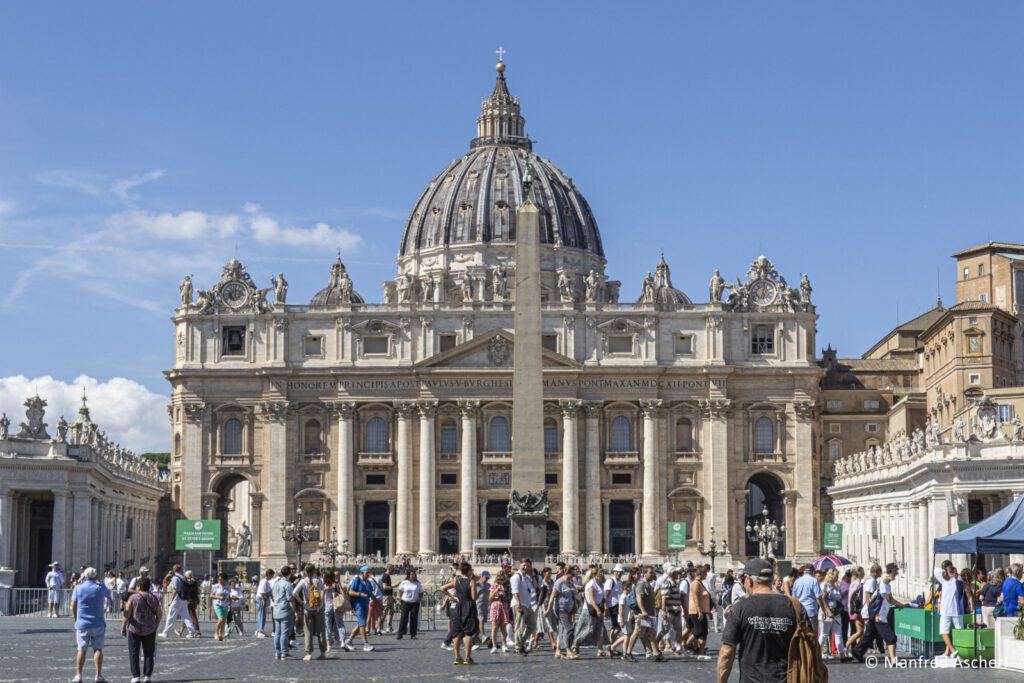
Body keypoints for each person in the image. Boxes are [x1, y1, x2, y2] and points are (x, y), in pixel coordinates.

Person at [717, 558, 801, 683]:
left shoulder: (740, 608)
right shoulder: (795, 606)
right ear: (771, 580)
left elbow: (726, 654)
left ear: (749, 580)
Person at [851, 563, 907, 664]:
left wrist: (902, 605)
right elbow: (883, 600)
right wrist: (875, 614)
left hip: (878, 615)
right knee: (890, 637)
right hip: (879, 616)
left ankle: (857, 652)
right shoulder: (884, 584)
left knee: (869, 635)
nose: (897, 573)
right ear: (890, 572)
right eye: (895, 572)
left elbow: (890, 599)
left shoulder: (886, 584)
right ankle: (893, 659)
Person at [70, 567, 111, 683]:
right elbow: (108, 594)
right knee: (98, 649)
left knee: (81, 650)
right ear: (96, 576)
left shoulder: (78, 588)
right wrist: (100, 583)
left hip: (82, 623)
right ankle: (98, 675)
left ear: (85, 576)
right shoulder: (99, 587)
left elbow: (73, 605)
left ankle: (78, 675)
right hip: (98, 623)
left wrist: (76, 618)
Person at [122, 576, 162, 683]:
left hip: (134, 628)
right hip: (150, 628)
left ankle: (135, 676)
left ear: (139, 586)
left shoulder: (133, 598)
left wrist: (123, 626)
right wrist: (156, 625)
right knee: (149, 653)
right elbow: (159, 614)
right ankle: (147, 676)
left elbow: (127, 613)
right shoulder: (153, 598)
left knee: (134, 652)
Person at [441, 561, 479, 665]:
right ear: (469, 571)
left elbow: (442, 588)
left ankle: (457, 657)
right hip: (469, 607)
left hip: (458, 607)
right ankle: (468, 658)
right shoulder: (471, 581)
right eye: (471, 570)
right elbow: (474, 597)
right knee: (468, 633)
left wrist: (453, 597)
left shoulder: (456, 581)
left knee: (457, 633)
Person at [626, 565, 665, 663]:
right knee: (636, 633)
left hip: (650, 615)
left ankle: (656, 653)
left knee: (652, 634)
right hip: (643, 615)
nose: (652, 574)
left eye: (652, 572)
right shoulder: (641, 584)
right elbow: (639, 598)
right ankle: (628, 653)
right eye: (650, 572)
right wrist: (643, 611)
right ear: (645, 573)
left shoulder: (649, 585)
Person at [572, 566, 608, 657]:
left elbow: (602, 597)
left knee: (600, 629)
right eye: (600, 573)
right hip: (589, 610)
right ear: (595, 575)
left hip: (599, 610)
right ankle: (575, 645)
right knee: (587, 630)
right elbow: (591, 598)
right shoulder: (591, 584)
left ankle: (600, 649)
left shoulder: (600, 584)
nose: (602, 575)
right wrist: (597, 609)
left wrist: (605, 607)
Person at [294, 563, 327, 660]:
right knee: (321, 630)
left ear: (305, 571)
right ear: (314, 571)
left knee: (308, 631)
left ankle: (309, 653)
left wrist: (302, 602)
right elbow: (323, 591)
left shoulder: (303, 581)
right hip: (319, 608)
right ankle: (323, 653)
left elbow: (294, 593)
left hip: (308, 608)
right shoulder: (320, 580)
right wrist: (321, 602)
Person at [933, 562, 965, 659]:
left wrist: (945, 570)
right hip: (956, 610)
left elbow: (935, 570)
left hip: (947, 610)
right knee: (958, 631)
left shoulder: (944, 581)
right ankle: (949, 651)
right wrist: (951, 572)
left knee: (944, 632)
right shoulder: (958, 580)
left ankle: (953, 650)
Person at [158, 564, 198, 639]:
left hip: (177, 598)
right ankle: (192, 632)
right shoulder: (183, 577)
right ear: (180, 569)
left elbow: (175, 590)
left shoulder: (175, 578)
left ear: (173, 570)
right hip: (184, 598)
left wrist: (171, 601)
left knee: (171, 616)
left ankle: (165, 632)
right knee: (186, 616)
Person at [547, 565, 578, 659]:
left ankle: (558, 651)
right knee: (569, 629)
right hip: (561, 609)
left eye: (573, 574)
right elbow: (552, 596)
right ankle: (568, 650)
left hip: (569, 609)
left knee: (561, 630)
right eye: (571, 574)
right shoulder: (559, 582)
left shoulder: (570, 582)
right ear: (566, 573)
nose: (573, 576)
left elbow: (574, 592)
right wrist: (548, 609)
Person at [819, 568, 849, 661]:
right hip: (827, 613)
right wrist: (827, 611)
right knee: (824, 634)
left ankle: (842, 655)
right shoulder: (825, 586)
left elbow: (838, 598)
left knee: (838, 634)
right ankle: (816, 653)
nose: (838, 577)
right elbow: (822, 600)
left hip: (836, 612)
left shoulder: (835, 585)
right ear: (832, 576)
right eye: (837, 575)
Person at [509, 558, 537, 655]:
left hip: (528, 605)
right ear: (520, 565)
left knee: (532, 625)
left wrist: (533, 574)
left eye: (528, 566)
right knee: (519, 627)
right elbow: (515, 591)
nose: (525, 567)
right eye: (524, 565)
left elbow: (535, 586)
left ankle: (521, 643)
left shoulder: (527, 577)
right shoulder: (516, 577)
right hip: (520, 604)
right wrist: (519, 604)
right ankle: (518, 647)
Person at [791, 563, 828, 635]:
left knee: (801, 634)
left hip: (800, 612)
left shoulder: (797, 581)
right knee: (813, 635)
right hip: (811, 611)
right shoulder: (814, 581)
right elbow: (819, 597)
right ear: (813, 571)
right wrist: (823, 610)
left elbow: (793, 598)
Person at [346, 566, 377, 651]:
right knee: (362, 624)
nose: (368, 574)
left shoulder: (368, 582)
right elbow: (350, 592)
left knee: (361, 623)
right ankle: (365, 644)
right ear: (362, 573)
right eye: (367, 573)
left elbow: (371, 594)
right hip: (358, 604)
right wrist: (360, 594)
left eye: (368, 572)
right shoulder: (357, 580)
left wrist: (379, 604)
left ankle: (349, 640)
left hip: (365, 604)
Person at [687, 565, 713, 659]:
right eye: (705, 573)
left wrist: (708, 611)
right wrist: (699, 611)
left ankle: (701, 653)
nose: (706, 575)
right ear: (700, 574)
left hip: (703, 611)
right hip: (695, 611)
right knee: (698, 631)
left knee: (704, 632)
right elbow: (695, 598)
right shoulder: (695, 583)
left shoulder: (701, 583)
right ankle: (685, 645)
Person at [271, 565, 294, 660]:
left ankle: (277, 653)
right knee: (284, 633)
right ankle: (284, 652)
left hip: (276, 610)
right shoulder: (288, 584)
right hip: (285, 610)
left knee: (277, 633)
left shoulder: (276, 583)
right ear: (289, 574)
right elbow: (290, 599)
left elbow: (272, 596)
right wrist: (294, 610)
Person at [488, 570, 512, 654]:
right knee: (494, 627)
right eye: (499, 579)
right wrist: (496, 590)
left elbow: (509, 597)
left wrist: (504, 595)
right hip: (495, 607)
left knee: (503, 628)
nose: (500, 581)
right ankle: (494, 646)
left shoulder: (506, 586)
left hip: (504, 607)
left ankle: (504, 645)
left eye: (502, 579)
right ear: (496, 579)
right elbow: (490, 598)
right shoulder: (493, 586)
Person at [396, 569, 423, 639]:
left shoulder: (418, 583)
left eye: (414, 574)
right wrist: (398, 596)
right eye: (412, 574)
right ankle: (400, 633)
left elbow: (421, 592)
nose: (413, 575)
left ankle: (413, 634)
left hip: (415, 603)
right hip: (405, 602)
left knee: (414, 618)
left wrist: (419, 598)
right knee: (403, 617)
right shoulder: (404, 582)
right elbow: (399, 590)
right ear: (408, 575)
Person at [845, 566, 865, 652]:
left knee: (860, 631)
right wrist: (854, 611)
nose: (864, 573)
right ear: (859, 572)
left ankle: (857, 648)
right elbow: (854, 598)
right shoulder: (857, 583)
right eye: (863, 572)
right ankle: (847, 645)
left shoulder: (857, 583)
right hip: (856, 610)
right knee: (859, 631)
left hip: (856, 609)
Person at [605, 564, 625, 643]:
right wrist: (606, 607)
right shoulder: (610, 581)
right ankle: (611, 644)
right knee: (617, 626)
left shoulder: (620, 582)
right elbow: (606, 595)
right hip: (613, 606)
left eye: (620, 572)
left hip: (619, 606)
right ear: (614, 572)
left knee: (616, 627)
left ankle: (612, 644)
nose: (619, 573)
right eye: (617, 572)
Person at [209, 573, 230, 641]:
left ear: (225, 580)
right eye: (219, 579)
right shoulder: (216, 586)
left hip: (225, 605)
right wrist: (219, 597)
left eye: (221, 579)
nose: (219, 580)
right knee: (221, 619)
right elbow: (211, 595)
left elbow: (228, 596)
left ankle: (220, 634)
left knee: (223, 621)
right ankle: (216, 633)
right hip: (217, 604)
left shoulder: (228, 586)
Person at [256, 569, 274, 638]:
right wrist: (263, 601)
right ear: (269, 574)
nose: (272, 577)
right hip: (261, 599)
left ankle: (259, 629)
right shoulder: (264, 581)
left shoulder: (265, 581)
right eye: (271, 575)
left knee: (262, 615)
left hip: (263, 598)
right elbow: (262, 592)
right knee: (262, 615)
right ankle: (260, 630)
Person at [475, 570, 491, 645]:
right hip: (478, 605)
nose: (487, 579)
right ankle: (483, 636)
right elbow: (474, 595)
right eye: (486, 577)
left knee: (483, 621)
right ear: (482, 576)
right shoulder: (477, 584)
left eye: (488, 578)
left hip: (485, 605)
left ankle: (476, 636)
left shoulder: (488, 585)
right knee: (480, 620)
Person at [380, 565, 395, 634]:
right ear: (390, 569)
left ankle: (389, 627)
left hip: (389, 596)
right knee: (384, 612)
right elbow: (385, 587)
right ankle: (380, 627)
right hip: (386, 596)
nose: (393, 571)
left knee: (391, 612)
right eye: (393, 569)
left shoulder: (387, 576)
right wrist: (395, 585)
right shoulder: (385, 576)